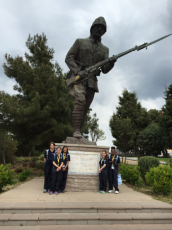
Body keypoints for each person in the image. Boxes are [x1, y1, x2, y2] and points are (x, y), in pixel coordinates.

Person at [65, 17, 116, 138]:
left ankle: (78, 132)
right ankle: (76, 131)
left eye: (102, 28)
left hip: (92, 81)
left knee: (85, 108)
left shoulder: (105, 50)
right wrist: (78, 71)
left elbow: (104, 70)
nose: (99, 29)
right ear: (92, 28)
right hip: (78, 77)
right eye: (97, 27)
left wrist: (111, 63)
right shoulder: (80, 42)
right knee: (80, 101)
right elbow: (69, 58)